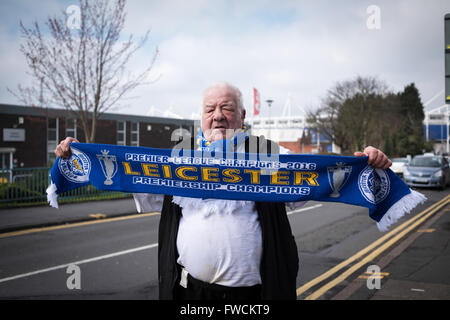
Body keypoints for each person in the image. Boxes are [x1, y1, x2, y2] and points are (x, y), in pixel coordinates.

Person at [55, 82, 392, 300]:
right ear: (201, 117)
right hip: (189, 294)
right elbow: (127, 173)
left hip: (253, 297)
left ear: (242, 115)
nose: (218, 116)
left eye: (227, 108)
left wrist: (366, 162)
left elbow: (318, 175)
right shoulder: (178, 157)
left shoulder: (269, 154)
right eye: (210, 110)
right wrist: (77, 157)